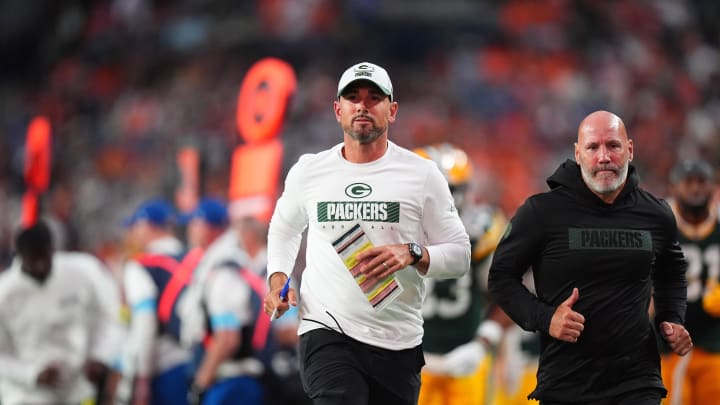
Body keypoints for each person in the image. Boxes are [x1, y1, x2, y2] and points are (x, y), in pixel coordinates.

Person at [263, 61, 471, 405]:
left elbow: (460, 254)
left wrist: (413, 252)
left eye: (374, 98)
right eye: (353, 97)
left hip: (397, 340)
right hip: (325, 329)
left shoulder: (421, 174)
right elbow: (284, 228)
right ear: (337, 109)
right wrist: (277, 280)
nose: (362, 105)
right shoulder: (309, 170)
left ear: (392, 110)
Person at [488, 110, 693, 405]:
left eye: (613, 145)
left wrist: (671, 318)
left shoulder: (656, 214)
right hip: (566, 383)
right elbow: (500, 277)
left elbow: (672, 271)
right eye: (593, 147)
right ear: (578, 154)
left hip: (638, 382)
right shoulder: (541, 212)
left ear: (630, 150)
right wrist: (545, 318)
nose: (604, 157)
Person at [413, 143, 507, 405]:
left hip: (466, 360)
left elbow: (510, 295)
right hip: (410, 361)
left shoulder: (482, 231)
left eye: (452, 190)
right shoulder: (394, 230)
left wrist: (483, 342)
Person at [0, 220, 117, 405]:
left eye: (44, 257)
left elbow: (106, 317)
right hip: (25, 394)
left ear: (53, 249)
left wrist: (99, 355)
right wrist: (33, 374)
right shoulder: (5, 293)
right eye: (33, 259)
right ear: (20, 255)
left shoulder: (82, 272)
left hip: (77, 389)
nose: (39, 265)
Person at [116, 198, 192, 405]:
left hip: (162, 367)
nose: (132, 233)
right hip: (196, 362)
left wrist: (142, 377)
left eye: (135, 227)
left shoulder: (141, 265)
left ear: (146, 226)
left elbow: (145, 324)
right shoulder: (194, 259)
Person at [660, 158, 720, 405]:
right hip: (669, 345)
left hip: (714, 341)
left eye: (701, 182)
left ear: (713, 187)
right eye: (688, 182)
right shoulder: (660, 226)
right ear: (674, 188)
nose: (695, 188)